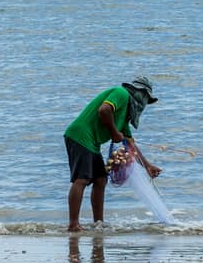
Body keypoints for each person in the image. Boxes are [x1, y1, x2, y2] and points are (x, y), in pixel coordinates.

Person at [64, 76, 162, 232]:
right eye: (145, 98)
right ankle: (73, 224)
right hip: (80, 136)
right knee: (82, 179)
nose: (144, 103)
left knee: (100, 179)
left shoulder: (125, 117)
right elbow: (104, 110)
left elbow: (130, 144)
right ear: (139, 92)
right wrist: (114, 132)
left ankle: (99, 223)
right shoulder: (121, 93)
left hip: (92, 142)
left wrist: (147, 166)